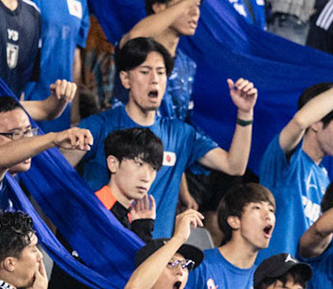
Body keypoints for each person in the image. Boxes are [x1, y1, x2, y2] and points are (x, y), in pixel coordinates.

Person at [72, 38, 253, 239]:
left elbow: (234, 165)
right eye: (144, 71)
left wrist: (245, 115)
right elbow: (57, 168)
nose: (154, 79)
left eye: (160, 72)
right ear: (125, 79)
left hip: (152, 255)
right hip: (100, 245)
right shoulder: (100, 125)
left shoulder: (181, 134)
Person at [260, 64, 333, 261]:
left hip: (297, 285)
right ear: (316, 122)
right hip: (265, 278)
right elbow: (300, 121)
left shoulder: (324, 180)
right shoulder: (286, 160)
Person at [200, 182, 275, 289]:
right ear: (234, 221)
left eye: (271, 210)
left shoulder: (263, 282)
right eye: (257, 208)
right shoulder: (202, 266)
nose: (269, 216)